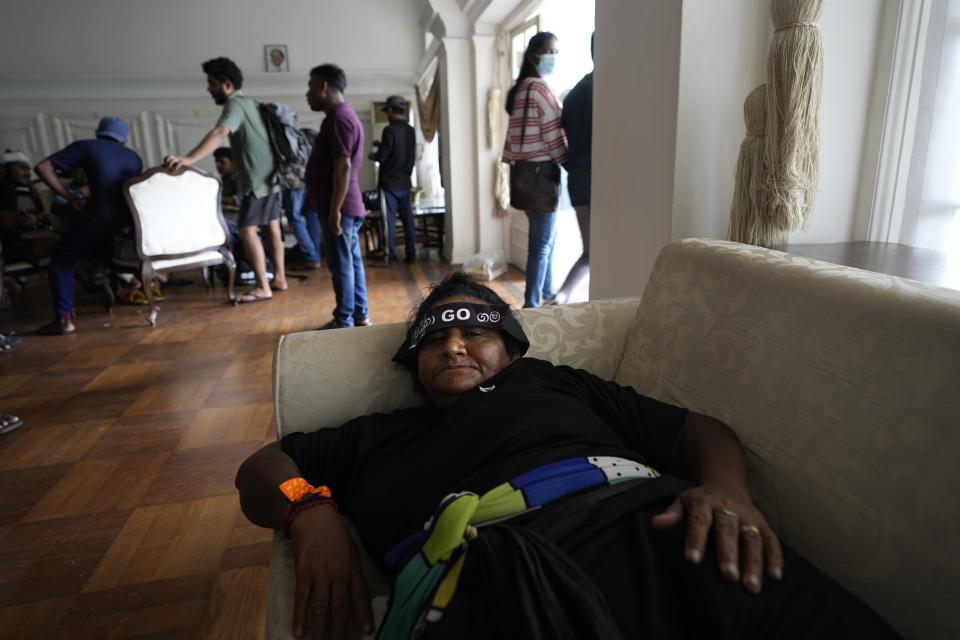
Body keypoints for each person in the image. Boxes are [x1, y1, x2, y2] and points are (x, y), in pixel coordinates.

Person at [235, 272, 901, 640]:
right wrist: (311, 511)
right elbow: (264, 466)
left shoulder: (552, 382)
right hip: (486, 583)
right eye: (436, 339)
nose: (455, 346)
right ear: (414, 361)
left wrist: (728, 490)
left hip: (653, 530)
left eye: (476, 332)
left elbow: (700, 430)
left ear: (513, 351)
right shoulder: (371, 437)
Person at [164, 56, 288, 303]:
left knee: (246, 229)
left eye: (211, 83)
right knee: (272, 226)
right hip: (272, 177)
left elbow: (221, 133)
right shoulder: (251, 103)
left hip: (256, 181)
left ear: (227, 84)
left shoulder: (235, 105)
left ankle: (263, 286)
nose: (209, 89)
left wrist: (188, 159)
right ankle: (280, 279)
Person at [33, 118, 143, 335]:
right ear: (124, 138)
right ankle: (100, 270)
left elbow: (42, 167)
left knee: (61, 263)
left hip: (95, 217)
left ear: (99, 132)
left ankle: (64, 320)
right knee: (102, 253)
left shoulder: (86, 146)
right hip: (124, 222)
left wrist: (68, 196)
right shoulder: (134, 157)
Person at [502, 32, 567, 308]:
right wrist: (567, 161)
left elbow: (514, 139)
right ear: (533, 55)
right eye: (549, 51)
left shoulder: (520, 90)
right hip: (541, 177)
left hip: (523, 177)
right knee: (541, 244)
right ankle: (531, 305)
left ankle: (548, 291)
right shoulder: (540, 89)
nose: (553, 57)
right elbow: (553, 133)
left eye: (556, 51)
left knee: (545, 239)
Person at [304, 64, 370, 328]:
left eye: (310, 87)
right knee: (351, 263)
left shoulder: (340, 119)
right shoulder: (339, 117)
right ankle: (359, 315)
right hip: (344, 206)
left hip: (341, 207)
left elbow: (342, 167)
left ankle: (344, 321)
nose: (307, 94)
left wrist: (334, 210)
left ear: (323, 86)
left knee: (342, 265)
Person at [552, 33, 594, 305]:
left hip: (579, 182)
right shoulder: (614, 88)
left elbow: (564, 143)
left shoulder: (574, 93)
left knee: (592, 253)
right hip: (603, 183)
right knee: (596, 254)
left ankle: (561, 298)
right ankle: (561, 298)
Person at [370, 95, 416, 264]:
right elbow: (409, 156)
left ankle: (389, 257)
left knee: (389, 222)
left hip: (389, 184)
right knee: (408, 221)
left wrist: (373, 154)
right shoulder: (410, 131)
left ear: (391, 109)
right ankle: (411, 255)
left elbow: (383, 157)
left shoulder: (389, 130)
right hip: (405, 182)